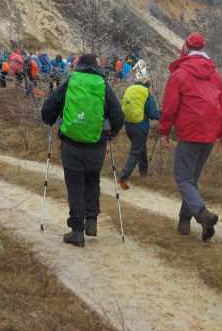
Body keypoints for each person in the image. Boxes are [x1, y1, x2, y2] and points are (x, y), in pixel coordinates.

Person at [41, 53, 125, 247]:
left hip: (71, 145)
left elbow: (47, 114)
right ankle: (92, 221)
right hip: (96, 146)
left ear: (77, 66)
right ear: (97, 66)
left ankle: (77, 231)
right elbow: (118, 118)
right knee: (92, 180)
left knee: (75, 185)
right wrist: (111, 134)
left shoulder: (68, 83)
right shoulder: (103, 86)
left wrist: (53, 121)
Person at [159, 33, 222, 241]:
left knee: (183, 178)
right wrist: (221, 132)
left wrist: (164, 130)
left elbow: (170, 106)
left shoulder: (179, 74)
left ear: (186, 49)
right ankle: (184, 222)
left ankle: (202, 215)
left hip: (189, 133)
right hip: (209, 133)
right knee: (191, 179)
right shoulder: (216, 75)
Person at [116, 72, 161, 189]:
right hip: (140, 126)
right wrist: (162, 113)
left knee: (141, 148)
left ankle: (143, 173)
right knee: (135, 153)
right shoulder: (145, 93)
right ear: (147, 84)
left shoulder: (129, 90)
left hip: (128, 126)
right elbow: (152, 114)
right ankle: (122, 177)